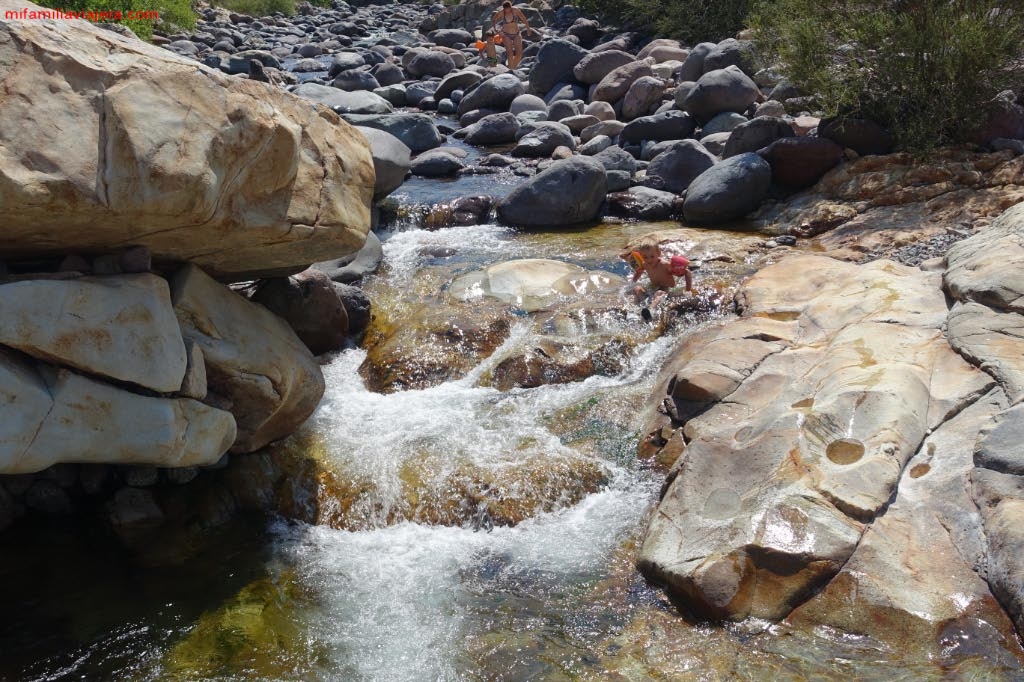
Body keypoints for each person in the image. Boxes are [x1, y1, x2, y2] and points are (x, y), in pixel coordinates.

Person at [621, 238, 693, 319]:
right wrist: (631, 283)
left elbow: (687, 272)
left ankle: (650, 311)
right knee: (637, 289)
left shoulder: (665, 265)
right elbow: (639, 272)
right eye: (645, 257)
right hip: (653, 287)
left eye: (652, 256)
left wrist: (688, 290)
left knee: (659, 293)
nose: (649, 260)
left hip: (667, 288)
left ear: (658, 253)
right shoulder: (645, 264)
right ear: (641, 256)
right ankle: (634, 311)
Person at [491, 1, 530, 70]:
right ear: (504, 8)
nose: (508, 11)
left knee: (519, 53)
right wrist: (497, 30)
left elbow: (524, 19)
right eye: (506, 9)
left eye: (509, 9)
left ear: (511, 6)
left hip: (517, 33)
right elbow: (494, 20)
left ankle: (512, 67)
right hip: (506, 34)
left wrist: (528, 29)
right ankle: (511, 70)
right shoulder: (501, 13)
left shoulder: (516, 10)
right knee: (510, 53)